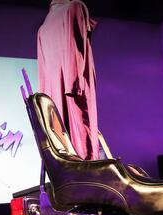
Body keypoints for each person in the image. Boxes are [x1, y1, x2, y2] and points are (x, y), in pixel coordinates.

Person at [38, 0, 100, 160]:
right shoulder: (74, 8)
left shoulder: (43, 28)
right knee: (83, 149)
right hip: (74, 95)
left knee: (66, 150)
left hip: (54, 102)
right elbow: (76, 57)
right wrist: (76, 86)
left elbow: (43, 76)